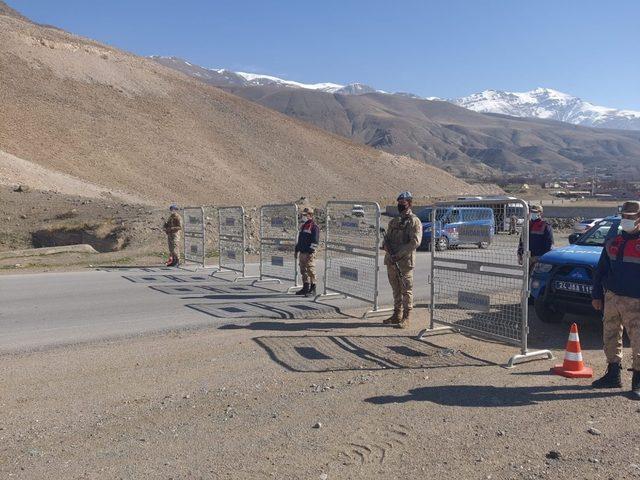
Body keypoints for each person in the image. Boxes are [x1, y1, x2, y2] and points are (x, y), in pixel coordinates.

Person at [591, 201, 640, 399]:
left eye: (632, 217)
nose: (627, 220)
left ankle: (638, 381)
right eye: (625, 216)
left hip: (636, 300)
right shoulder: (613, 241)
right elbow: (601, 269)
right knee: (610, 335)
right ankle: (613, 375)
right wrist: (596, 295)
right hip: (612, 297)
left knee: (638, 341)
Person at [382, 191, 422, 328]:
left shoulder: (414, 221)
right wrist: (386, 247)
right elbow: (386, 239)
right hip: (391, 261)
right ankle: (396, 314)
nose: (400, 205)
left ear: (409, 204)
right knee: (396, 290)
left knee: (406, 290)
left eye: (402, 203)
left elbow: (415, 242)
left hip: (404, 262)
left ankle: (407, 317)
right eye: (398, 203)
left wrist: (398, 254)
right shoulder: (394, 221)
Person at [517, 204, 553, 273]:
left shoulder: (545, 225)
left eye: (536, 212)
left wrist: (542, 258)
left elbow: (549, 243)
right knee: (527, 279)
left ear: (540, 213)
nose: (533, 214)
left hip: (538, 258)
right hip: (527, 257)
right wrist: (519, 254)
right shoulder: (527, 225)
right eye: (532, 212)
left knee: (536, 279)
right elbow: (521, 241)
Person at [295, 207, 320, 297]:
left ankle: (313, 289)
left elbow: (315, 241)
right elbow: (300, 239)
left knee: (310, 270)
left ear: (310, 215)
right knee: (303, 270)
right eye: (303, 215)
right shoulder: (303, 226)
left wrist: (311, 252)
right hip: (302, 252)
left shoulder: (314, 227)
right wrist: (297, 249)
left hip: (309, 253)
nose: (303, 216)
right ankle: (305, 287)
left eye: (305, 215)